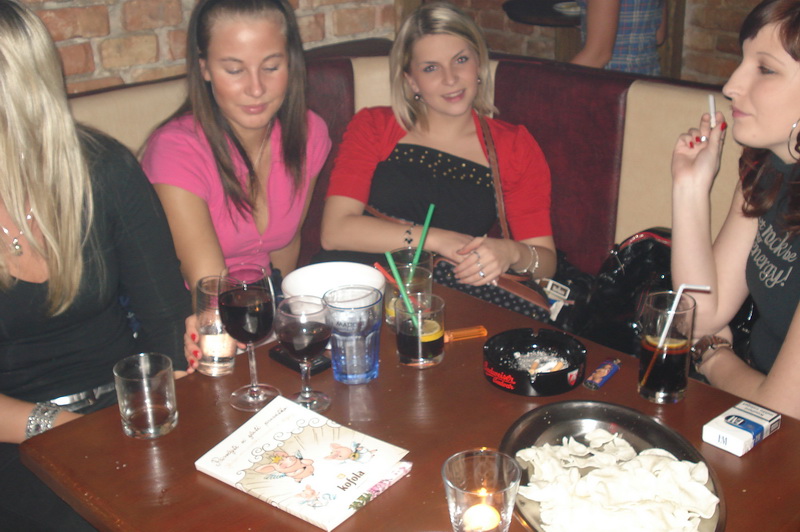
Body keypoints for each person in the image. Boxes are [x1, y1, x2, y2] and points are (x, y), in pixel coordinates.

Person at [0, 0, 191, 528]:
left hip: (125, 404)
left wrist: (171, 415)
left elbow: (166, 318)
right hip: (17, 433)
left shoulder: (104, 171)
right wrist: (58, 424)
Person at [318, 2, 556, 289]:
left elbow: (546, 264)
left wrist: (510, 252)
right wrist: (437, 239)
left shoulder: (513, 145)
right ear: (412, 81)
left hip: (441, 298)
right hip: (352, 286)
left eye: (460, 60)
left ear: (479, 64)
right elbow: (334, 232)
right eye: (431, 68)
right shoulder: (374, 125)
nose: (450, 78)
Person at [141, 0, 331, 292]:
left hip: (260, 302)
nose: (256, 88)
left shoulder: (308, 132)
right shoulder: (175, 151)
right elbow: (208, 288)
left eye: (271, 67)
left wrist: (286, 308)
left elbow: (286, 246)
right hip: (191, 308)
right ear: (204, 69)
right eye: (234, 70)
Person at [671, 0, 800, 419]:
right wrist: (690, 187)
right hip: (748, 402)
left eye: (765, 69)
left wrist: (712, 356)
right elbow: (701, 313)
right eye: (742, 60)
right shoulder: (769, 168)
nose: (730, 86)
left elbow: (781, 409)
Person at [571, 0, 666, 75]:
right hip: (647, 79)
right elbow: (658, 37)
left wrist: (562, 81)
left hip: (611, 81)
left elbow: (598, 56)